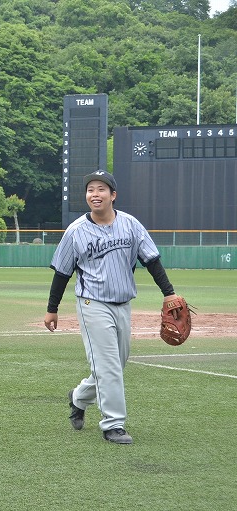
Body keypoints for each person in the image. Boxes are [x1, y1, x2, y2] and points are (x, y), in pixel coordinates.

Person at [44, 170, 183, 445]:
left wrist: (169, 293)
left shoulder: (131, 225)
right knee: (108, 366)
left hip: (123, 305)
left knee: (115, 364)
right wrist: (52, 308)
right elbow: (62, 272)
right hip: (91, 303)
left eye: (101, 189)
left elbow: (151, 260)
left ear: (113, 195)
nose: (95, 194)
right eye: (90, 189)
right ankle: (113, 424)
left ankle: (78, 397)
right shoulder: (76, 231)